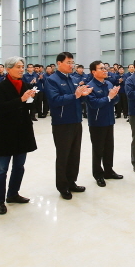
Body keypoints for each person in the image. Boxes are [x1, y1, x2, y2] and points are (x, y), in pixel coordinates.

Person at [0, 56, 37, 215]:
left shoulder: (25, 84)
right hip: (7, 131)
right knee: (2, 168)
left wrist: (31, 99)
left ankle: (13, 194)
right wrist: (21, 99)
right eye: (18, 66)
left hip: (23, 130)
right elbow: (1, 108)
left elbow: (28, 107)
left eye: (22, 66)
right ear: (8, 69)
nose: (21, 69)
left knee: (19, 166)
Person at [45, 52, 92, 200]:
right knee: (63, 155)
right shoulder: (52, 80)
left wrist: (83, 94)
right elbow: (54, 100)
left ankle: (72, 182)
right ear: (59, 63)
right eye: (69, 62)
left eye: (73, 62)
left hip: (76, 121)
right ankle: (62, 186)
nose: (72, 65)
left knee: (74, 154)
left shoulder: (72, 78)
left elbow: (76, 98)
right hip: (62, 123)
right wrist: (75, 96)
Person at [86, 61, 122, 187]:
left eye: (105, 68)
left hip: (109, 120)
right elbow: (93, 104)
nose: (105, 70)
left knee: (109, 148)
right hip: (97, 122)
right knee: (98, 150)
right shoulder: (89, 86)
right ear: (94, 72)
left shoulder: (108, 83)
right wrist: (108, 97)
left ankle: (108, 171)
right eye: (101, 68)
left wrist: (114, 95)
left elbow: (115, 100)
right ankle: (98, 174)